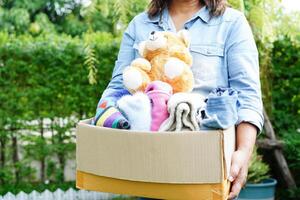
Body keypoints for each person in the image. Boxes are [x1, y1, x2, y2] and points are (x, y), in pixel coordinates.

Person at [97, 0, 264, 199]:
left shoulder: (231, 23)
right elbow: (118, 87)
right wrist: (105, 115)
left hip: (208, 167)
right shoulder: (140, 25)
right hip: (150, 167)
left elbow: (247, 94)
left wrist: (243, 152)